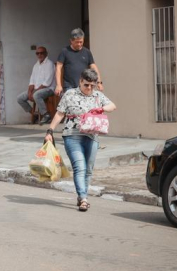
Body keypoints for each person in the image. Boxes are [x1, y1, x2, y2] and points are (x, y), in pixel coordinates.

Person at [45, 68, 116, 212]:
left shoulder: (97, 95)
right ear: (80, 81)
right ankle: (83, 198)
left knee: (88, 170)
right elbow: (60, 113)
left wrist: (101, 109)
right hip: (72, 135)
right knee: (80, 167)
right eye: (86, 85)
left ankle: (81, 194)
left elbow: (112, 106)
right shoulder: (70, 94)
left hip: (92, 136)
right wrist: (50, 131)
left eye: (92, 85)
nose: (89, 88)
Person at [55, 28, 101, 97]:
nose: (79, 44)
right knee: (72, 107)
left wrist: (99, 82)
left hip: (84, 86)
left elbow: (93, 67)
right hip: (69, 87)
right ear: (71, 41)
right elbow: (58, 68)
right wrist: (58, 85)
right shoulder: (64, 51)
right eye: (77, 42)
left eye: (81, 42)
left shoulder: (87, 52)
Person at [16, 46, 55, 124]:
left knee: (36, 95)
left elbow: (47, 83)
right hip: (36, 89)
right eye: (37, 53)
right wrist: (30, 92)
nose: (39, 55)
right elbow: (31, 82)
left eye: (42, 53)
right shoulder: (36, 65)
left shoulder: (49, 64)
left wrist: (34, 92)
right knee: (20, 98)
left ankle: (46, 115)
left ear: (46, 53)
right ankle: (34, 115)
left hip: (49, 89)